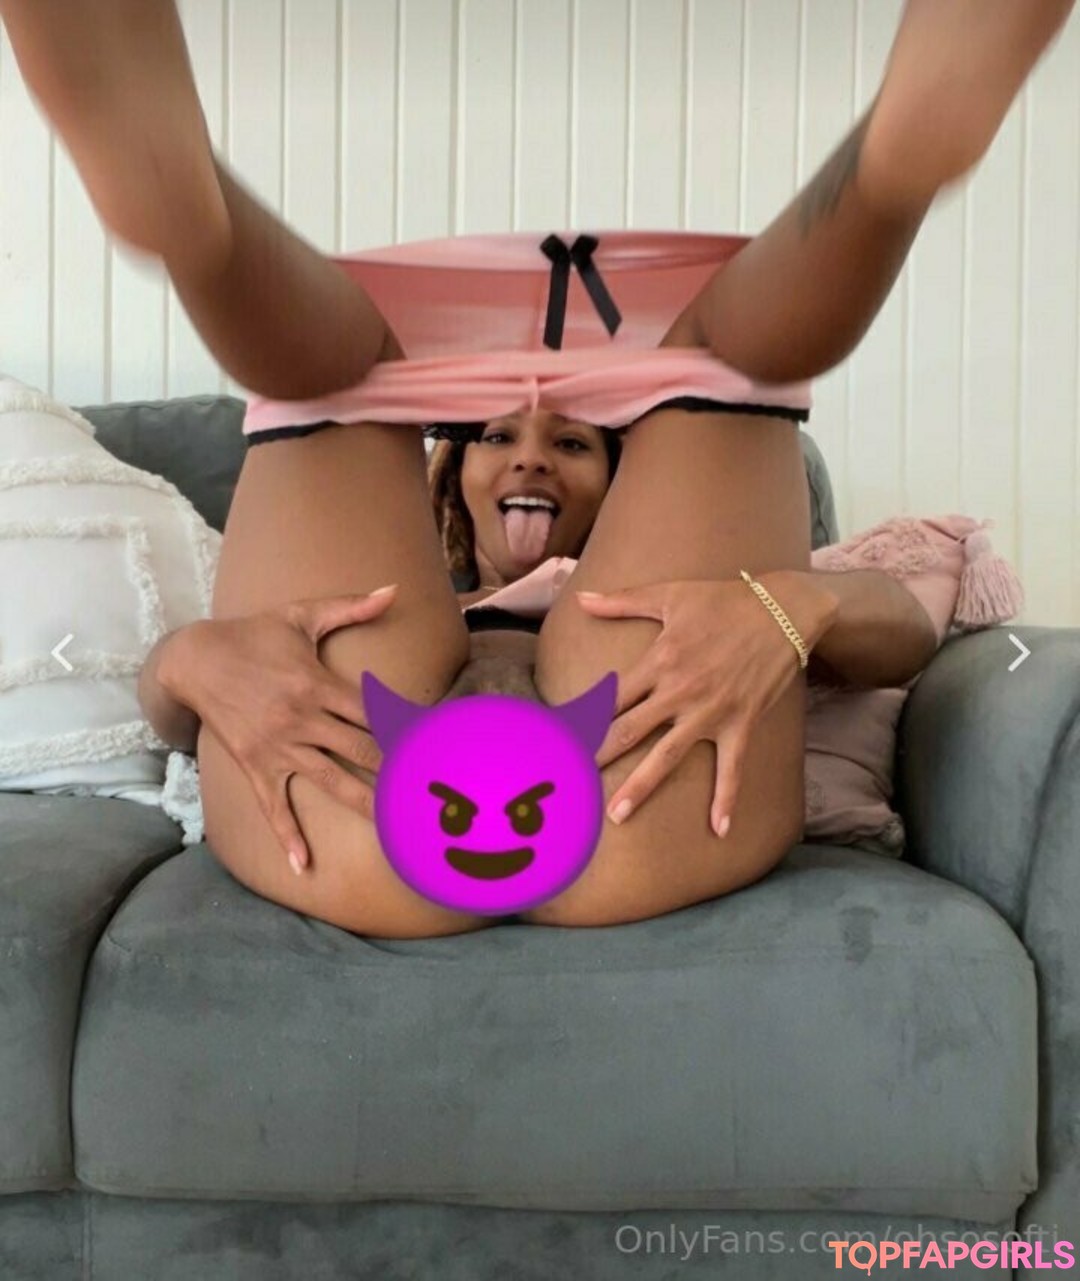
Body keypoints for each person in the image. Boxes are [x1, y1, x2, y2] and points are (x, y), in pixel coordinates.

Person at [3, 0, 1072, 940]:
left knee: (380, 385)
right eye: (497, 440)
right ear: (445, 482)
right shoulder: (401, 584)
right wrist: (193, 662)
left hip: (624, 776)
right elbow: (167, 706)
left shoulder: (718, 591)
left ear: (631, 483)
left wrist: (785, 612)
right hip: (377, 784)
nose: (530, 454)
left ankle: (896, 166)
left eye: (573, 442)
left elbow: (909, 629)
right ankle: (183, 208)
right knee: (666, 367)